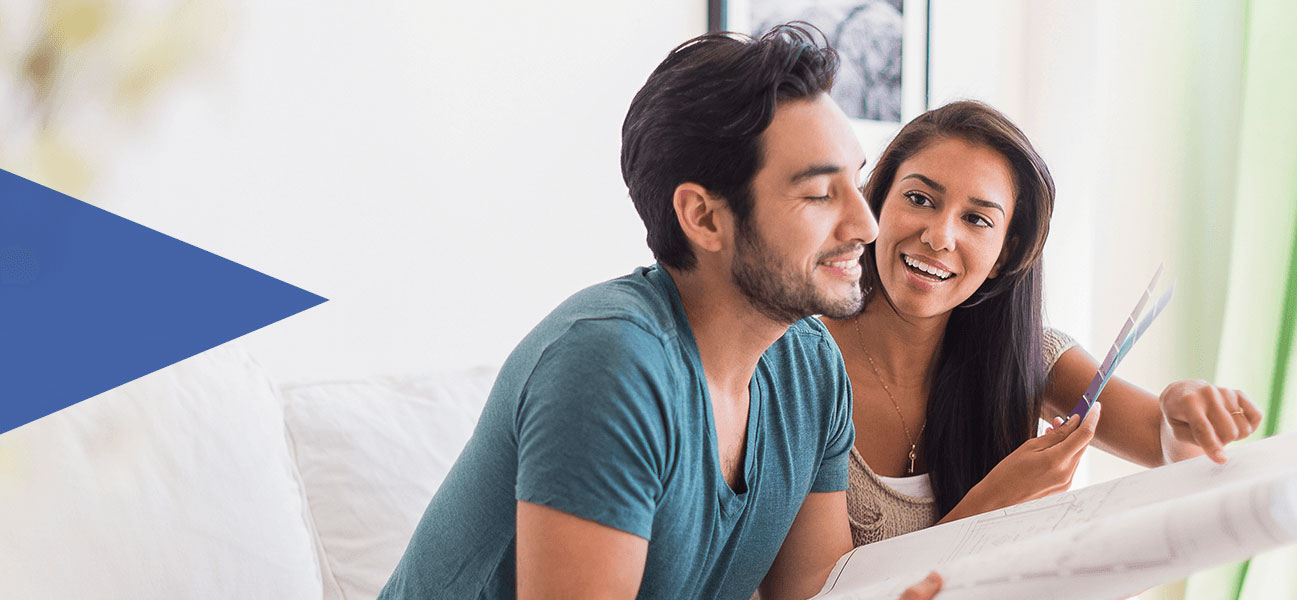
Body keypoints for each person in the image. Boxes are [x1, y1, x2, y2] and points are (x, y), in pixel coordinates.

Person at [379, 25, 939, 599]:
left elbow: (812, 591)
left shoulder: (812, 370)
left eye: (857, 181)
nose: (865, 226)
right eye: (820, 194)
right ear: (703, 217)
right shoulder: (608, 364)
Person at [820, 101, 1264, 546]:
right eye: (919, 199)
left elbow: (1169, 448)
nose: (939, 236)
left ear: (1005, 255)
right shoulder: (803, 368)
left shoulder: (1031, 359)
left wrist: (1177, 413)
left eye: (976, 219)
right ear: (875, 206)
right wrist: (993, 503)